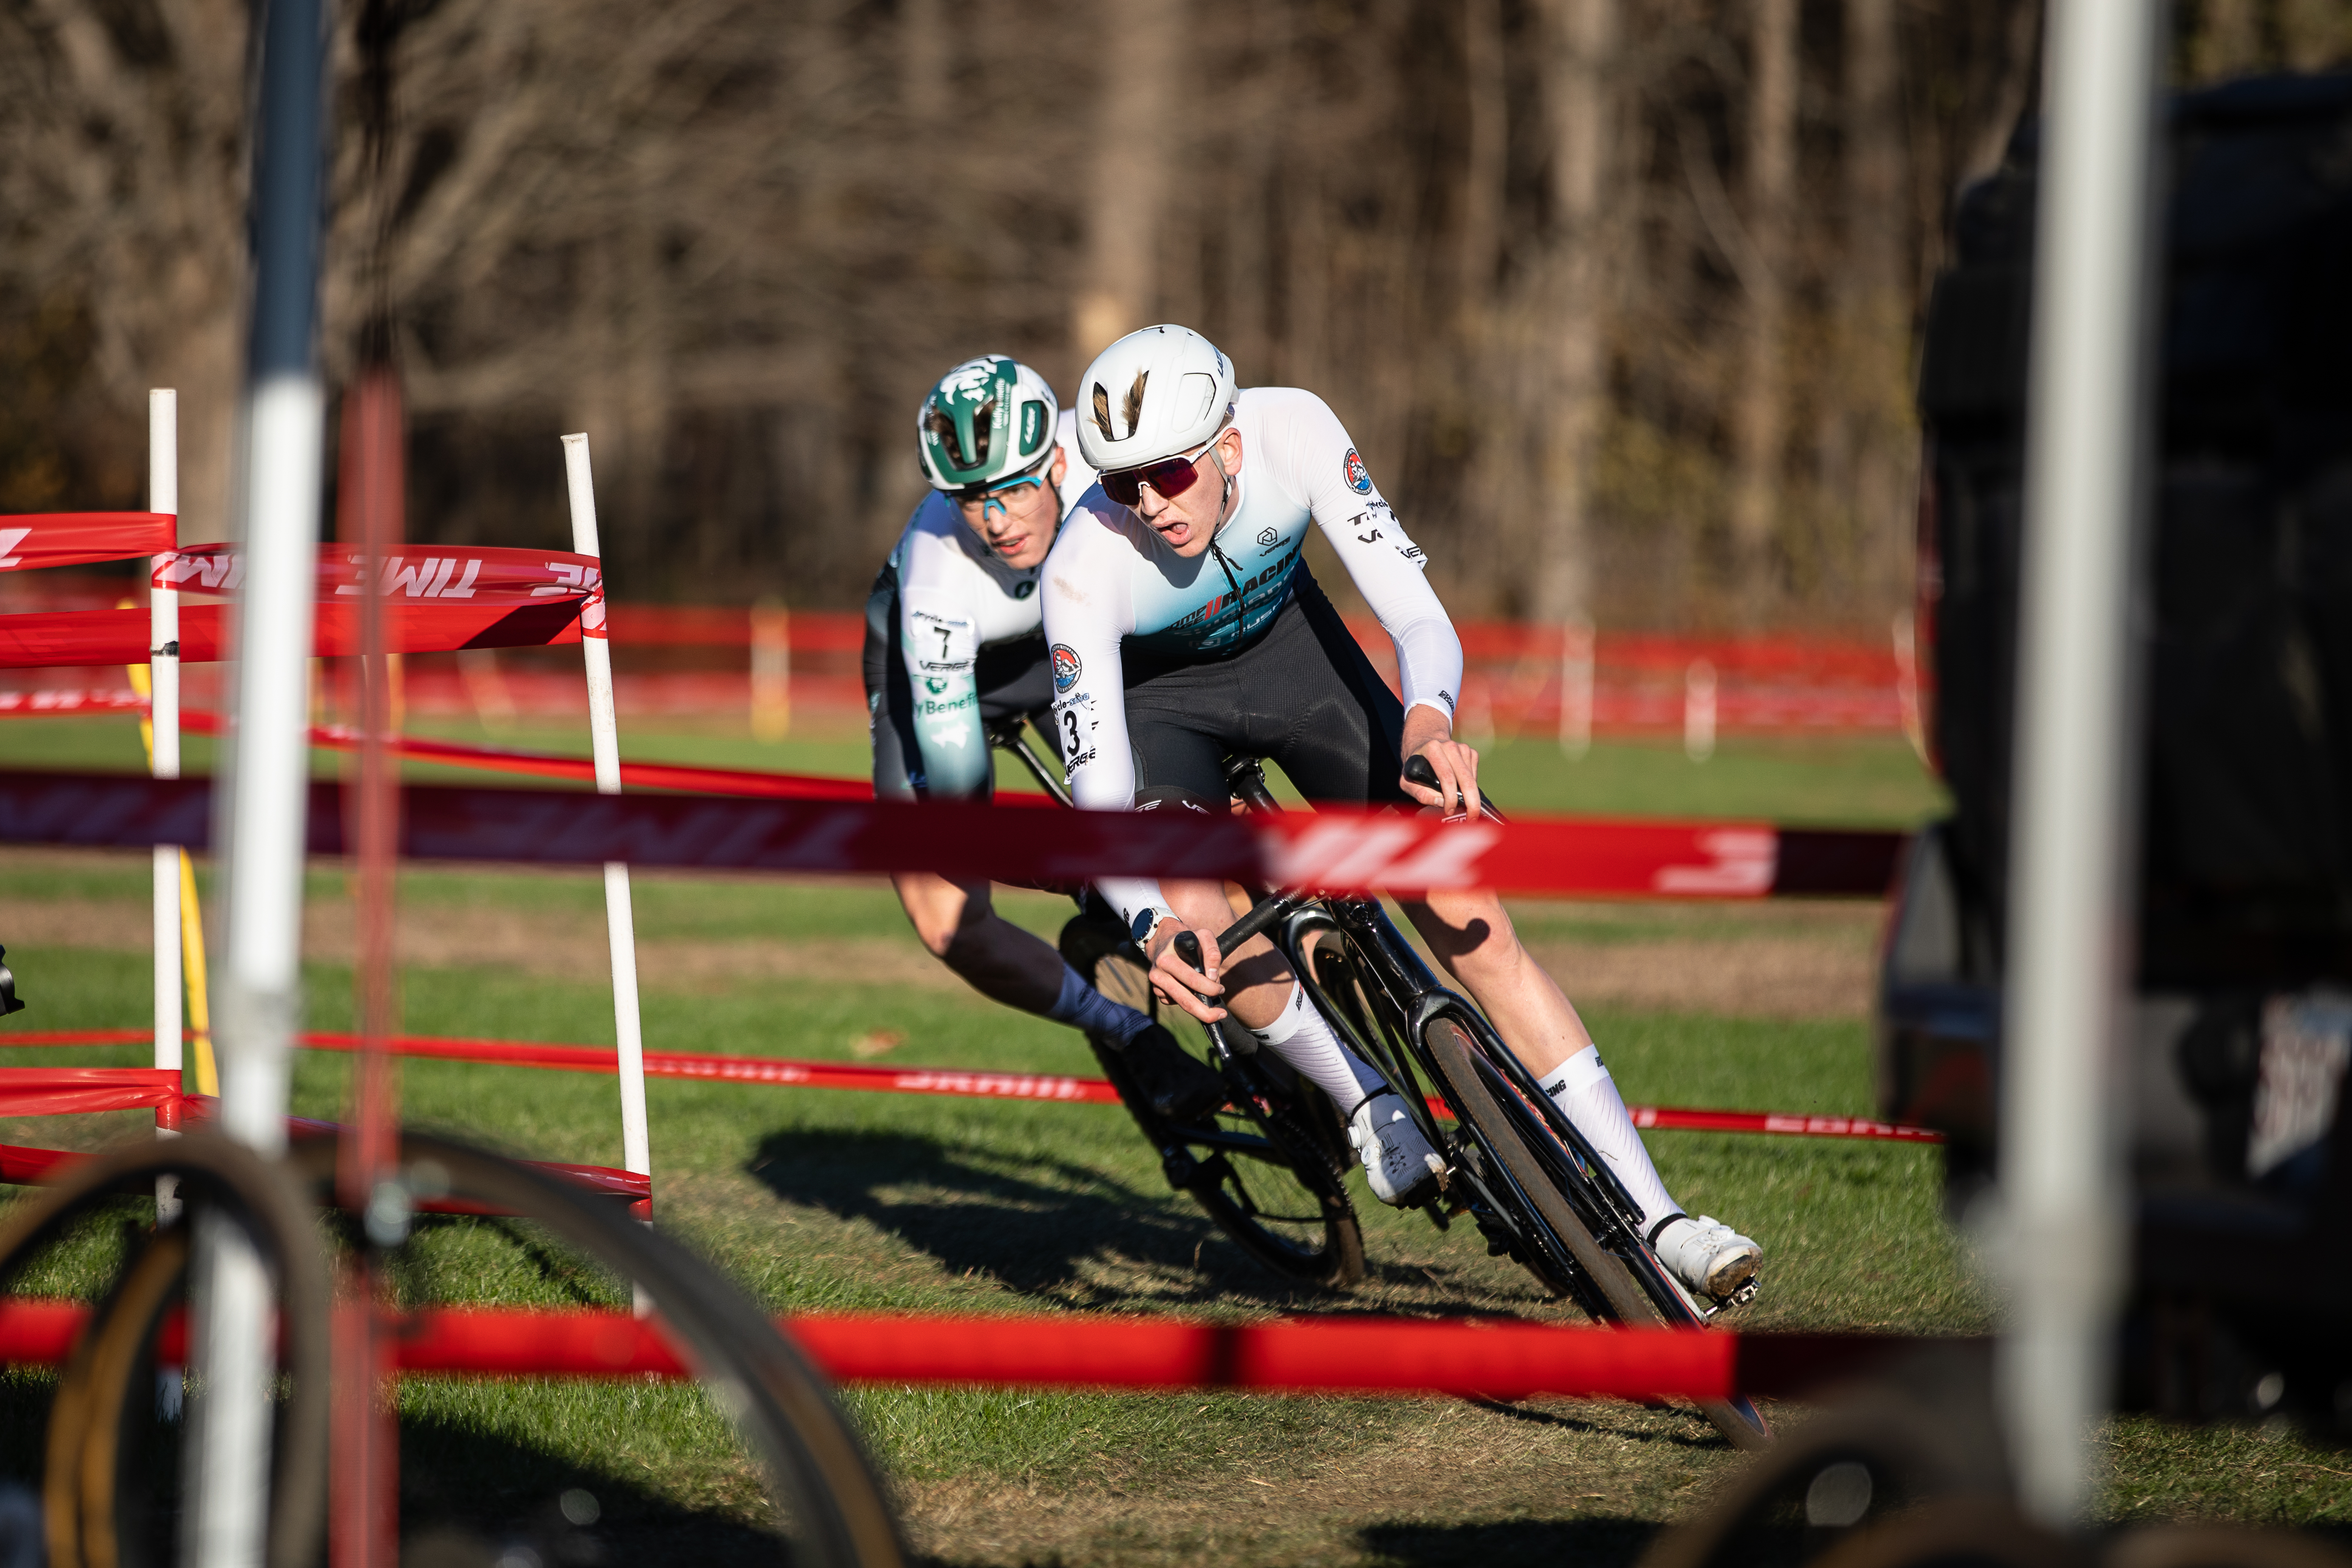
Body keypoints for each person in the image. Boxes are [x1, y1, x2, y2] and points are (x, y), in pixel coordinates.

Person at [1042, 325, 1762, 1304]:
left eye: (1167, 474)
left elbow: (1417, 615)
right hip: (1163, 705)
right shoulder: (1084, 566)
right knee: (1199, 913)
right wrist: (1150, 922)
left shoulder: (1293, 426)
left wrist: (1430, 727)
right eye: (1122, 483)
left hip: (1298, 662)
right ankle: (1366, 1101)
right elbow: (1098, 800)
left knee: (1472, 918)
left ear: (1227, 448)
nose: (1148, 504)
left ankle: (1661, 1216)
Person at [865, 353, 1225, 1123]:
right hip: (943, 675)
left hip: (1065, 635)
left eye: (1013, 490)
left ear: (1058, 460)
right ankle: (1127, 1034)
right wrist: (1075, 870)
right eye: (968, 500)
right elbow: (962, 803)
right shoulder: (936, 585)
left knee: (1173, 784)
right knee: (946, 918)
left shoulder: (1106, 467)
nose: (995, 521)